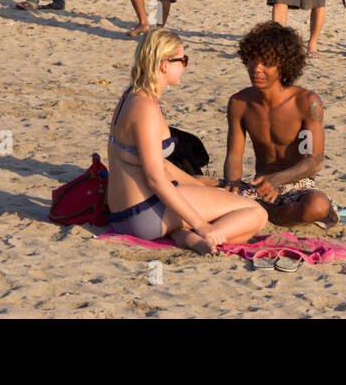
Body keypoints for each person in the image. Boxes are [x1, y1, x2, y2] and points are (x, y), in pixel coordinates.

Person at [106, 29, 267, 252]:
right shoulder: (146, 108)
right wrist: (201, 226)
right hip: (142, 213)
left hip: (121, 212)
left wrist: (198, 183)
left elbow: (159, 164)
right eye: (183, 60)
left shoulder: (131, 96)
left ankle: (183, 235)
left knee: (216, 195)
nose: (184, 66)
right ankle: (204, 237)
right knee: (256, 214)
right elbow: (155, 179)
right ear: (164, 65)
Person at [222, 22, 339, 226]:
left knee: (318, 205)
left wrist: (276, 180)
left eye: (266, 63)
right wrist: (232, 185)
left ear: (283, 65)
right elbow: (234, 155)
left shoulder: (306, 103)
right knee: (197, 182)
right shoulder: (239, 103)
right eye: (252, 60)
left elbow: (314, 160)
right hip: (258, 187)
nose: (256, 69)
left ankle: (266, 215)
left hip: (297, 186)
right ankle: (263, 211)